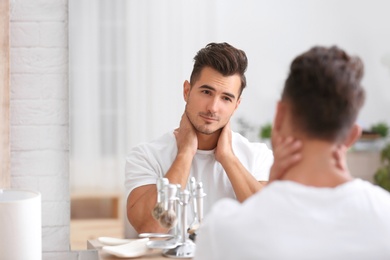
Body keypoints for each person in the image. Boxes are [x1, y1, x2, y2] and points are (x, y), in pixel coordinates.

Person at [194, 46, 390, 259]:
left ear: (279, 118)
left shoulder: (222, 229)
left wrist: (271, 196)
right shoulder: (384, 216)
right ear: (352, 135)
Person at [125, 42, 277, 235]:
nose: (213, 107)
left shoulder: (258, 157)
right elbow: (151, 227)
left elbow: (270, 226)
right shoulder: (147, 156)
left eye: (226, 98)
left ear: (236, 105)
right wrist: (185, 154)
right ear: (187, 91)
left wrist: (228, 158)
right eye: (206, 92)